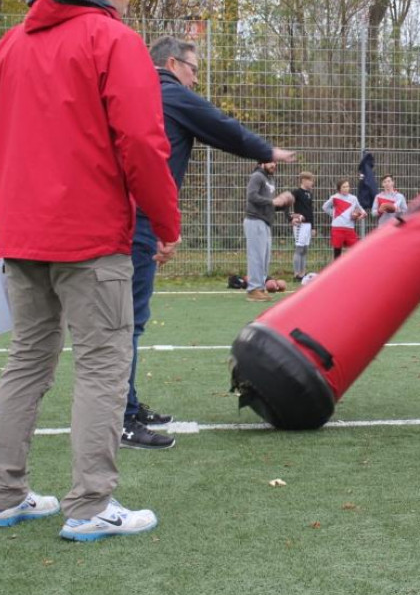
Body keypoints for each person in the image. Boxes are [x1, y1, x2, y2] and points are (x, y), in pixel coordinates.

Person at [0, 0, 180, 541]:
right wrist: (165, 224)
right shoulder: (113, 39)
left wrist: (7, 220)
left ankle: (3, 494)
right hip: (91, 238)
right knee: (102, 366)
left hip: (23, 237)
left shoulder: (9, 45)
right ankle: (91, 505)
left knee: (26, 362)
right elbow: (143, 143)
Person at [119, 36, 295, 452]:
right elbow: (220, 126)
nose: (196, 78)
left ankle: (125, 405)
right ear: (172, 63)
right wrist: (267, 149)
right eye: (194, 69)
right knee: (126, 322)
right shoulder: (169, 93)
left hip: (131, 218)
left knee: (124, 320)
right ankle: (121, 419)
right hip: (137, 221)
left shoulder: (135, 92)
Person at [245, 161, 297, 300]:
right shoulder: (257, 176)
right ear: (262, 163)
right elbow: (252, 196)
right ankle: (253, 289)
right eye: (270, 162)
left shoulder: (270, 179)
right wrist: (273, 202)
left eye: (275, 162)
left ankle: (260, 288)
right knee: (256, 257)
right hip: (254, 220)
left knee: (264, 257)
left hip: (265, 222)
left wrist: (285, 204)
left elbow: (270, 205)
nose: (274, 164)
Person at [323, 178, 366, 259]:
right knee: (337, 251)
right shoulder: (334, 197)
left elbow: (361, 210)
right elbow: (325, 207)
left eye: (347, 186)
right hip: (337, 228)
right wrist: (335, 214)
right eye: (344, 187)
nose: (346, 188)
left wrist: (362, 214)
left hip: (350, 228)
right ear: (339, 188)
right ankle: (337, 270)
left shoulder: (353, 198)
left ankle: (352, 268)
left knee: (355, 250)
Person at [290, 171, 316, 281]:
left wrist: (313, 227)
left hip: (308, 225)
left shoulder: (309, 194)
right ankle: (297, 274)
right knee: (299, 248)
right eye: (310, 180)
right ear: (304, 180)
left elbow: (310, 211)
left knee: (305, 249)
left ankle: (303, 273)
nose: (312, 183)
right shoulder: (296, 192)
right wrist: (292, 217)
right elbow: (287, 203)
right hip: (300, 225)